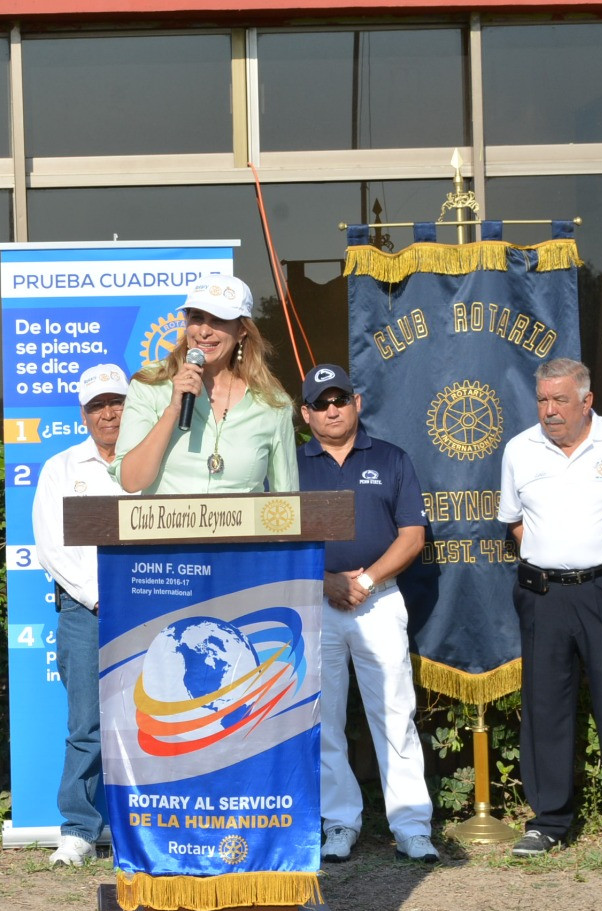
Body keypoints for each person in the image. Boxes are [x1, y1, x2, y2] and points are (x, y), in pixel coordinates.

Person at [498, 357, 602, 862]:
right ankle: (548, 822)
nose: (549, 411)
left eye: (560, 400)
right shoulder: (519, 450)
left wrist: (601, 569)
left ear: (586, 400)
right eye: (543, 400)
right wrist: (559, 563)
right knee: (545, 707)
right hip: (544, 594)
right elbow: (515, 523)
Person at [295, 364, 437, 865]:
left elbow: (412, 536)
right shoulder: (291, 466)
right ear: (306, 413)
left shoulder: (392, 459)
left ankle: (412, 825)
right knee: (325, 718)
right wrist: (326, 581)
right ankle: (339, 822)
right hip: (316, 605)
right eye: (321, 402)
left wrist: (365, 581)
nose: (332, 410)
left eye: (340, 399)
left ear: (357, 404)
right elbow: (281, 542)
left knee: (395, 714)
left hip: (378, 601)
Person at [32, 363, 131, 866]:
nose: (109, 413)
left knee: (154, 716)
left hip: (150, 603)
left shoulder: (154, 464)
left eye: (117, 401)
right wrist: (100, 597)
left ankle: (148, 822)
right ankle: (78, 829)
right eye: (97, 406)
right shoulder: (61, 467)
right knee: (87, 723)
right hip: (83, 609)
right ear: (83, 415)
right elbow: (52, 547)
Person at [116, 274, 298, 495]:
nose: (204, 331)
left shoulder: (272, 404)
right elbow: (131, 481)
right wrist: (173, 411)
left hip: (243, 530)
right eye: (197, 318)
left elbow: (286, 500)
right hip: (167, 528)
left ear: (242, 330)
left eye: (218, 319)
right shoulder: (150, 385)